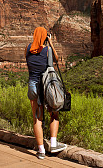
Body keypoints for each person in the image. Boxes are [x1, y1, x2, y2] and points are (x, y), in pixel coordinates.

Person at [25, 27, 67, 159]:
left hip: (33, 85)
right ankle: (53, 144)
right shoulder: (47, 50)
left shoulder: (27, 48)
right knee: (54, 113)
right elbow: (55, 60)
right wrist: (50, 42)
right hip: (46, 86)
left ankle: (41, 151)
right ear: (44, 36)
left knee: (37, 118)